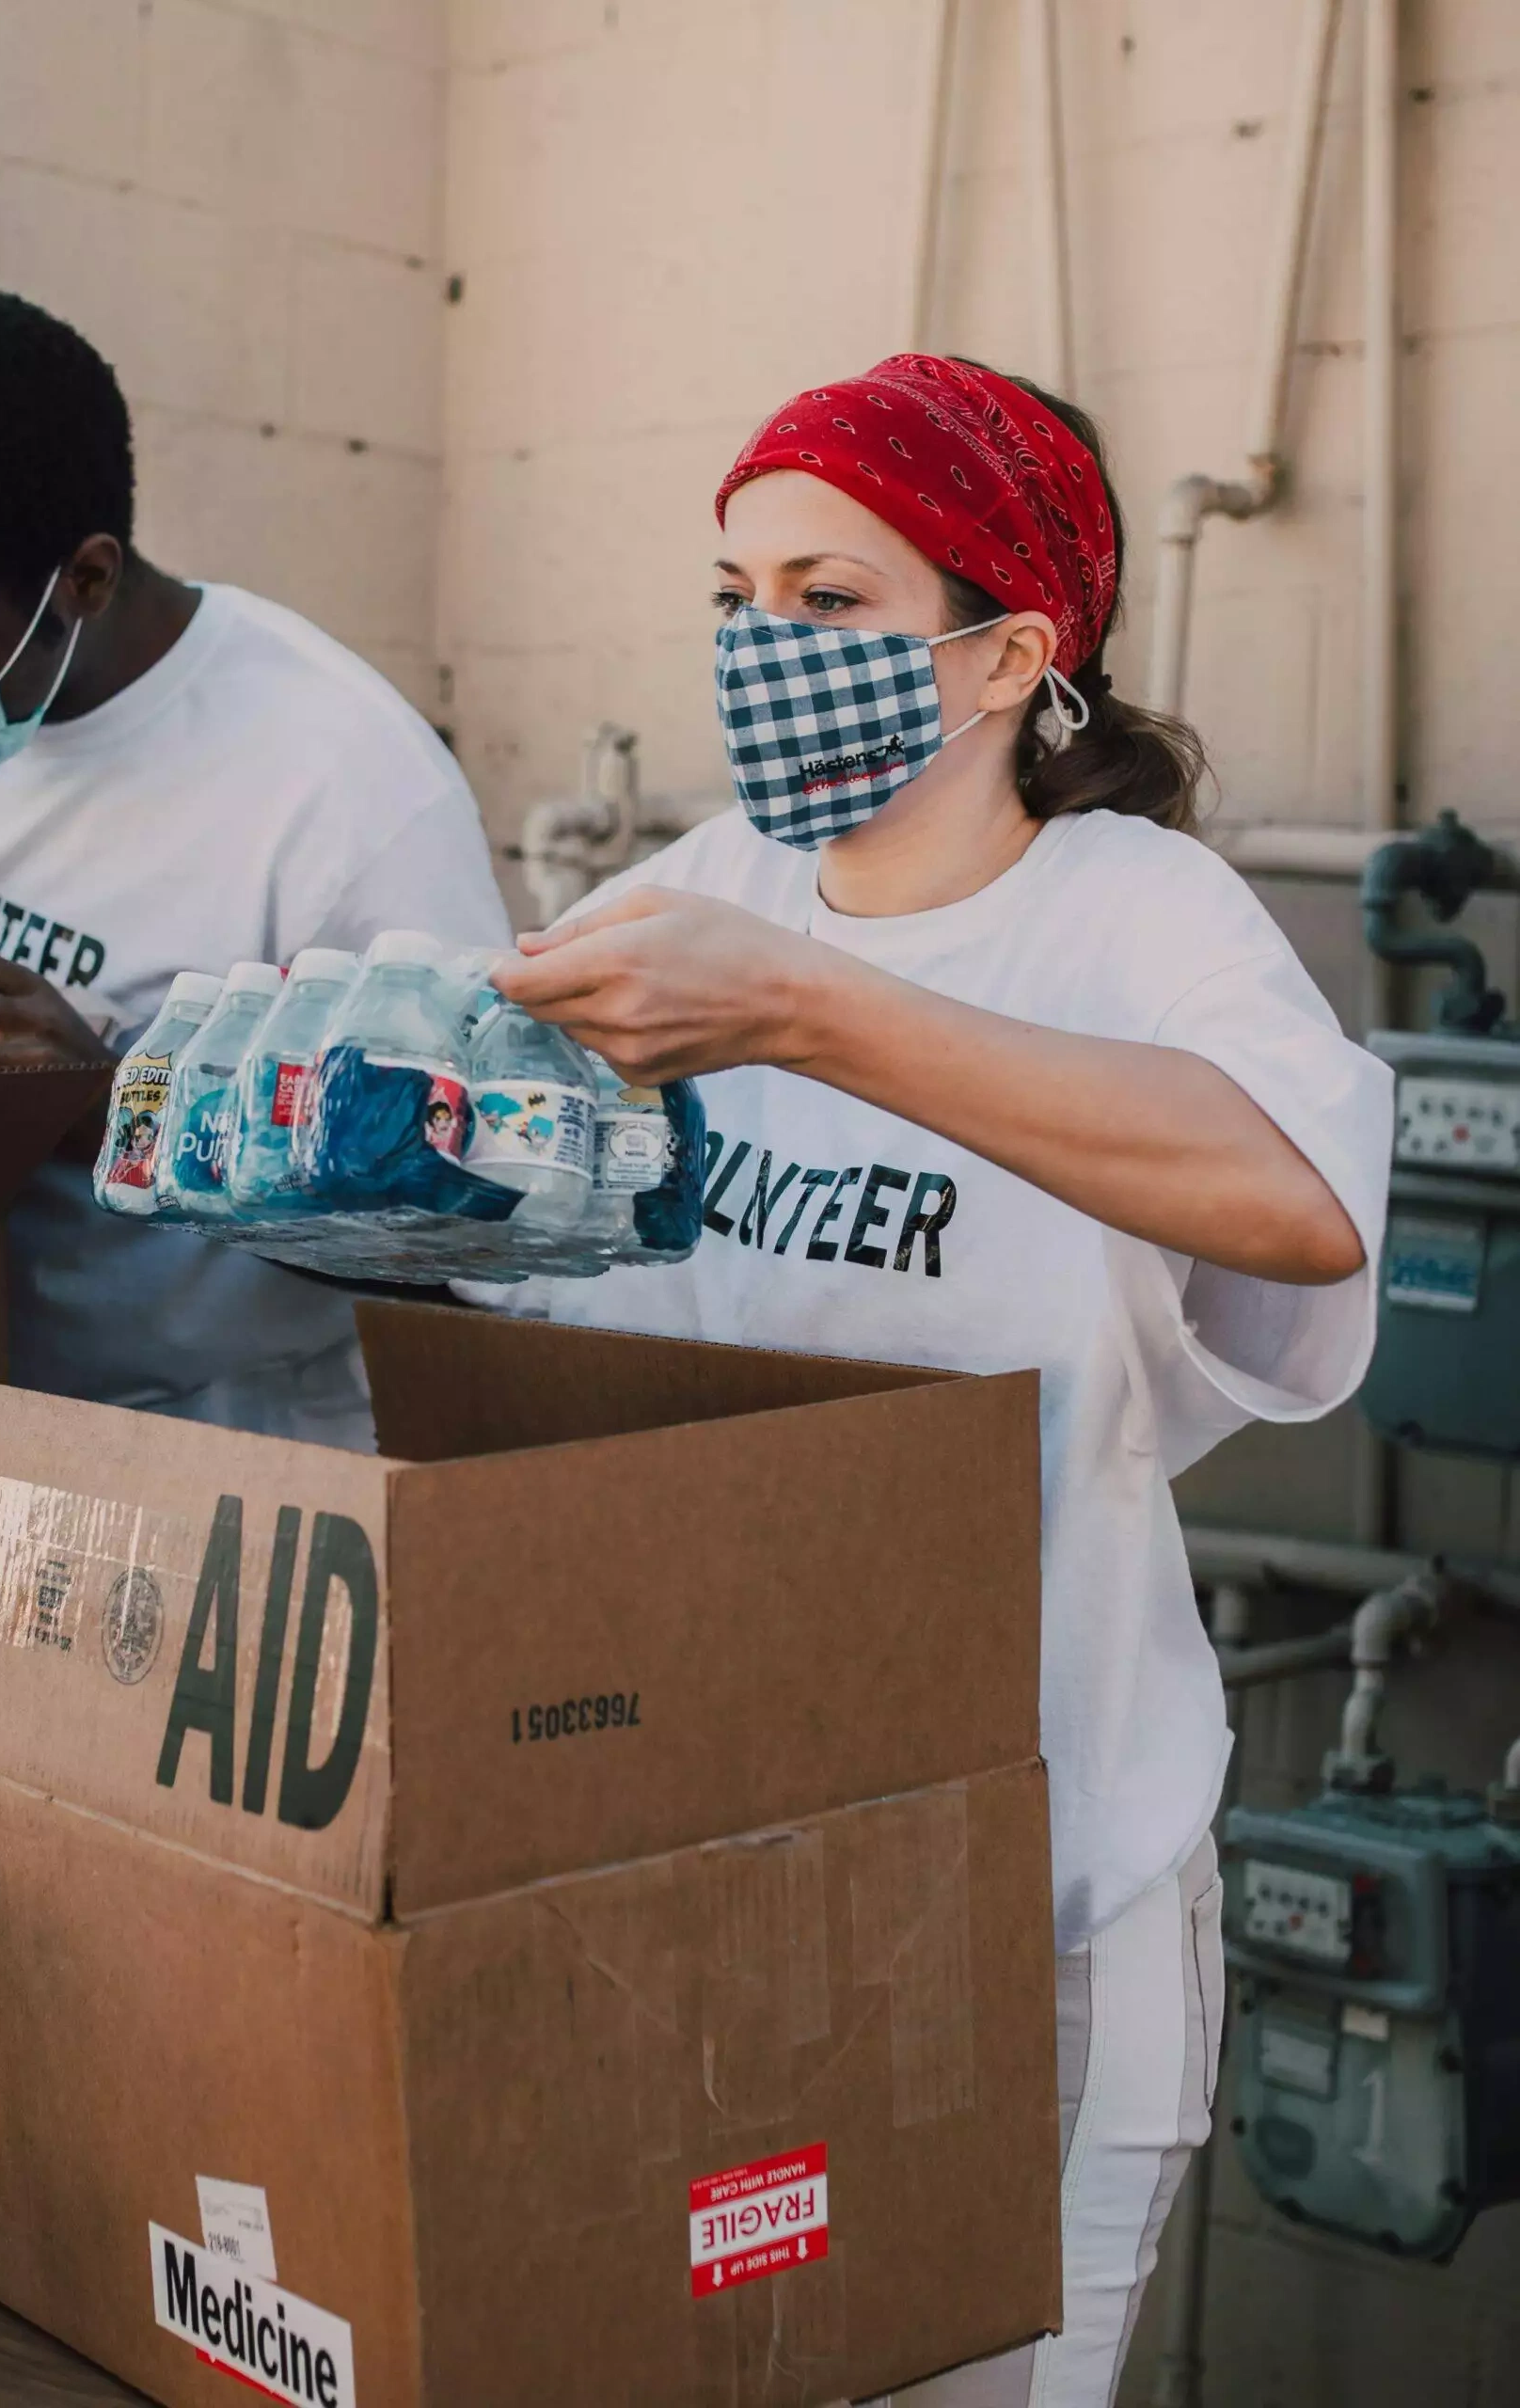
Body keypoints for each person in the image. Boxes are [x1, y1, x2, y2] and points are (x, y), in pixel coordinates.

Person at [486, 354, 1394, 2405]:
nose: (757, 651)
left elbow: (1293, 1198)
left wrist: (815, 1008)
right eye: (734, 597)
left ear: (1005, 651)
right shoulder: (690, 892)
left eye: (828, 604)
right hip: (715, 1863)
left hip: (1040, 1898)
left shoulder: (1133, 915)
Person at [0, 287, 509, 1448]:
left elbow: (465, 1230)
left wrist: (115, 1108)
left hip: (221, 1463)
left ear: (83, 580)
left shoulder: (345, 789)